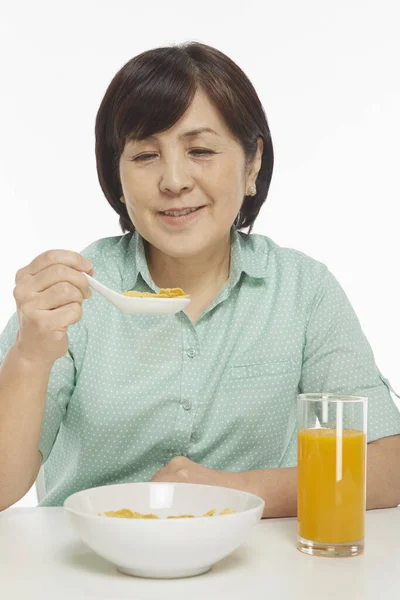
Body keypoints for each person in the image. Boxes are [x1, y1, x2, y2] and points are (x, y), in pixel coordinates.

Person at [0, 42, 399, 514]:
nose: (173, 180)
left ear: (252, 164)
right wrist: (29, 356)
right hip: (92, 570)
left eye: (201, 150)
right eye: (145, 155)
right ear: (116, 174)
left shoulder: (302, 290)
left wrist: (233, 491)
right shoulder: (75, 292)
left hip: (259, 574)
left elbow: (389, 468)